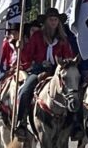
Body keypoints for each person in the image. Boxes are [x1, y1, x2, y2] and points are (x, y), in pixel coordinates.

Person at [13, 8, 74, 137]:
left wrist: (64, 62)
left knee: (74, 90)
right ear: (46, 22)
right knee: (25, 90)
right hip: (38, 71)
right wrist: (21, 48)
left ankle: (74, 124)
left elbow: (68, 56)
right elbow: (26, 56)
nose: (53, 22)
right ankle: (21, 122)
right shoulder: (37, 37)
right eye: (51, 20)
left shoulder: (62, 39)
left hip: (58, 73)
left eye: (56, 20)